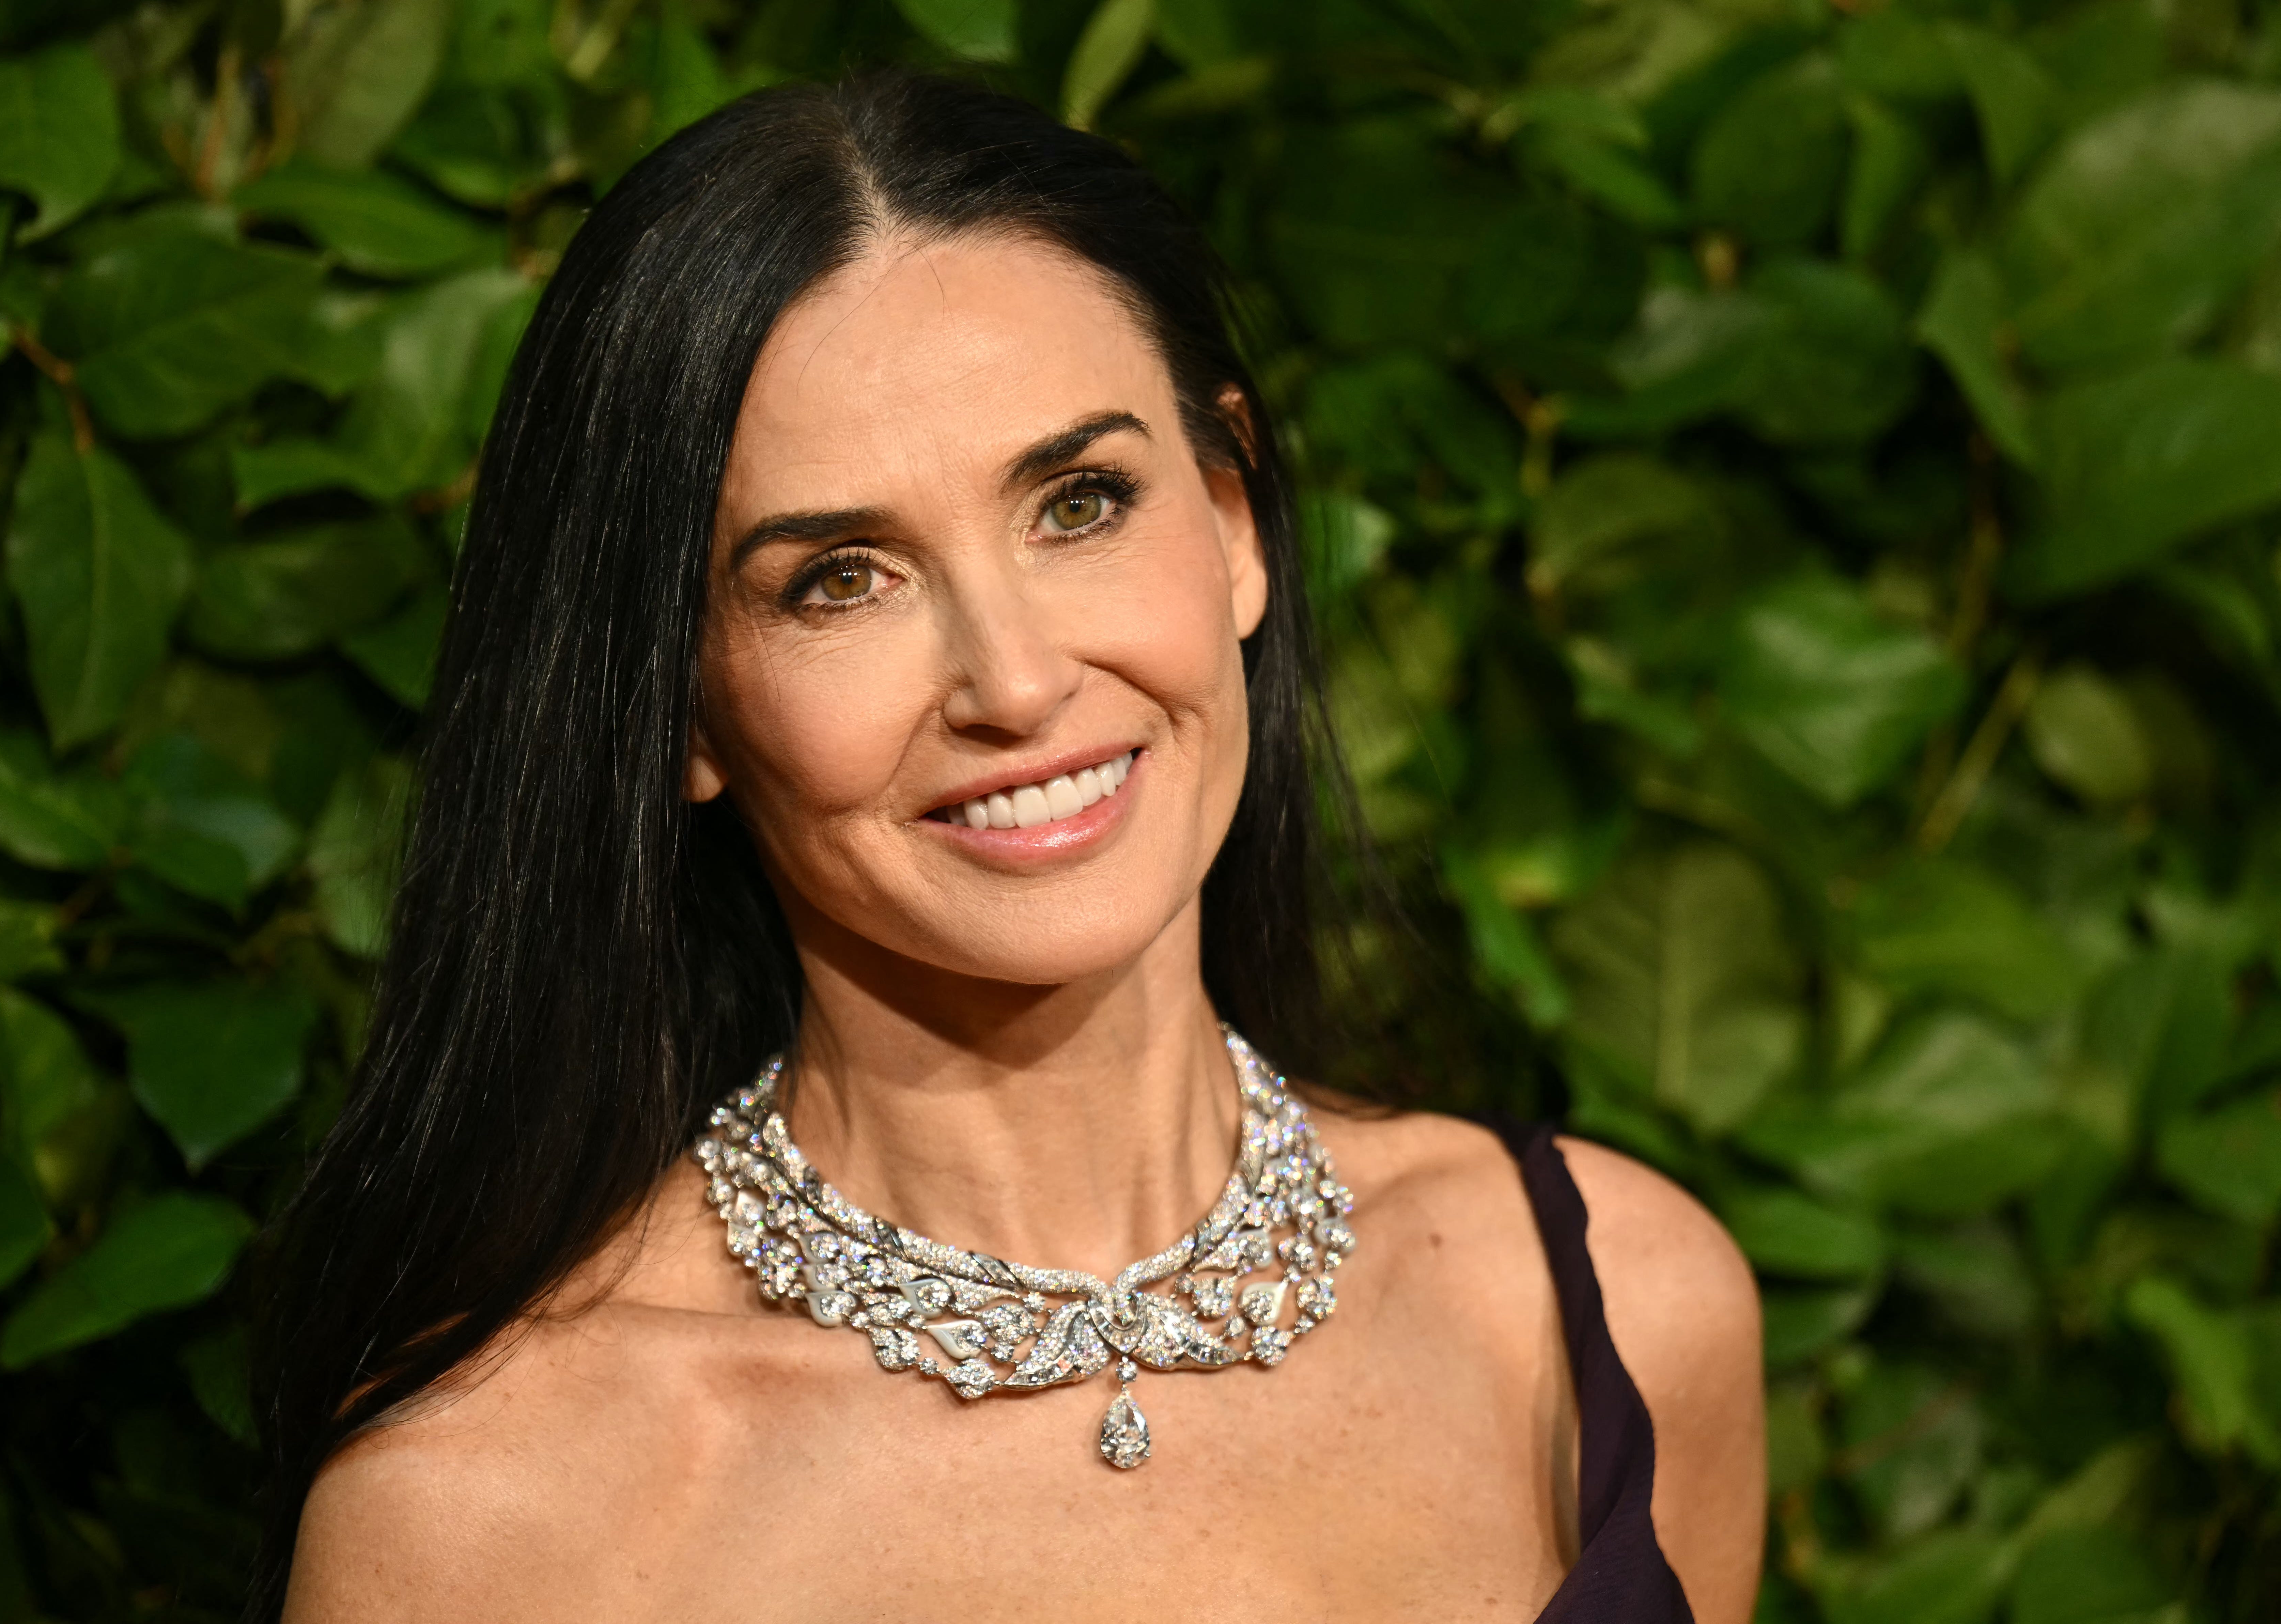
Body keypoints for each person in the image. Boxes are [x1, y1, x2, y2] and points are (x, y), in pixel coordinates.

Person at [253, 71, 1763, 1623]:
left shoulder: (1619, 1311)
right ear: (683, 709)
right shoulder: (485, 1519)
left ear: (1234, 518)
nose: (1020, 681)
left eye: (1081, 501)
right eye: (841, 579)